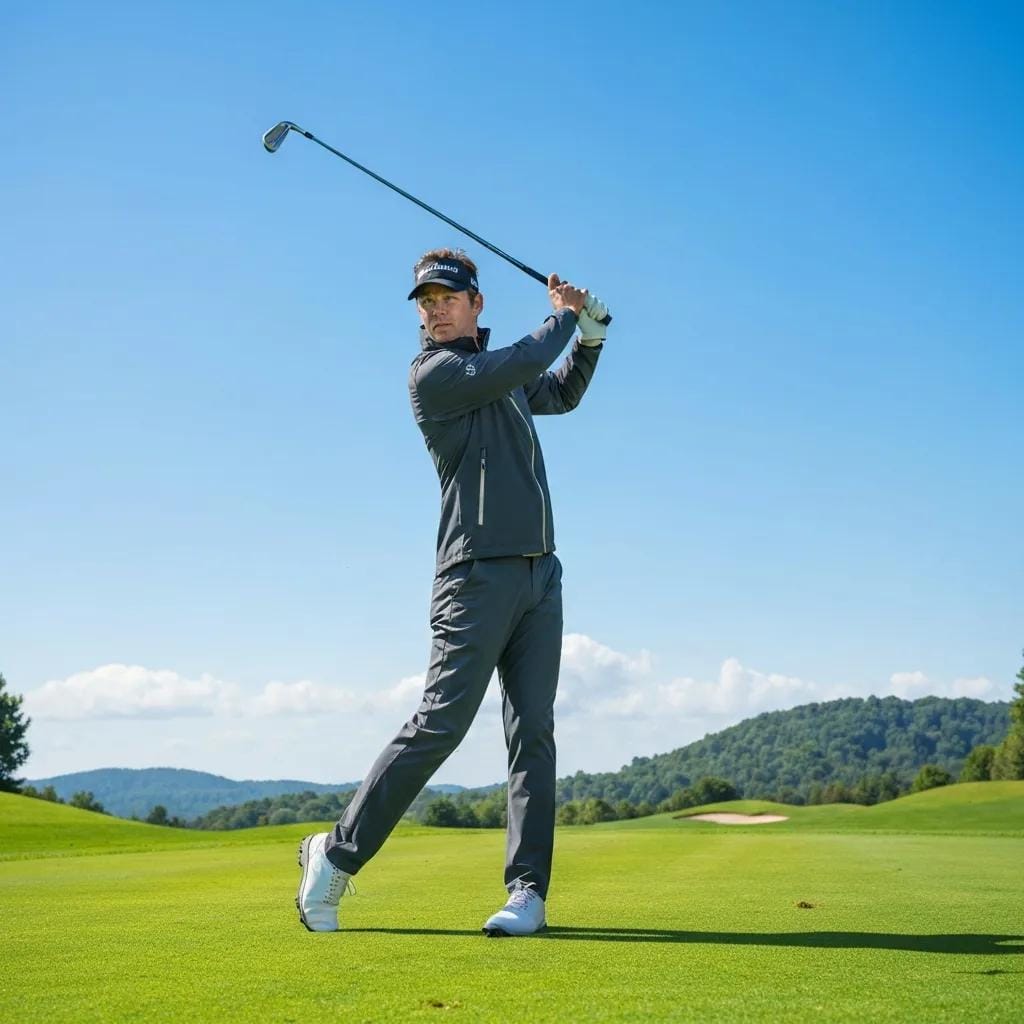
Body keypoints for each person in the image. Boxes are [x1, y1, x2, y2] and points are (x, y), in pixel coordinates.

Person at [295, 248, 609, 935]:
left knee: (534, 734)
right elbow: (525, 363)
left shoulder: (502, 378)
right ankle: (335, 855)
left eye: (445, 299)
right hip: (473, 576)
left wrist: (590, 337)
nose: (433, 311)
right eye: (424, 302)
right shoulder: (435, 375)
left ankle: (527, 892)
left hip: (539, 575)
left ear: (475, 304)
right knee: (441, 722)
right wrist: (564, 315)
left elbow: (559, 390)